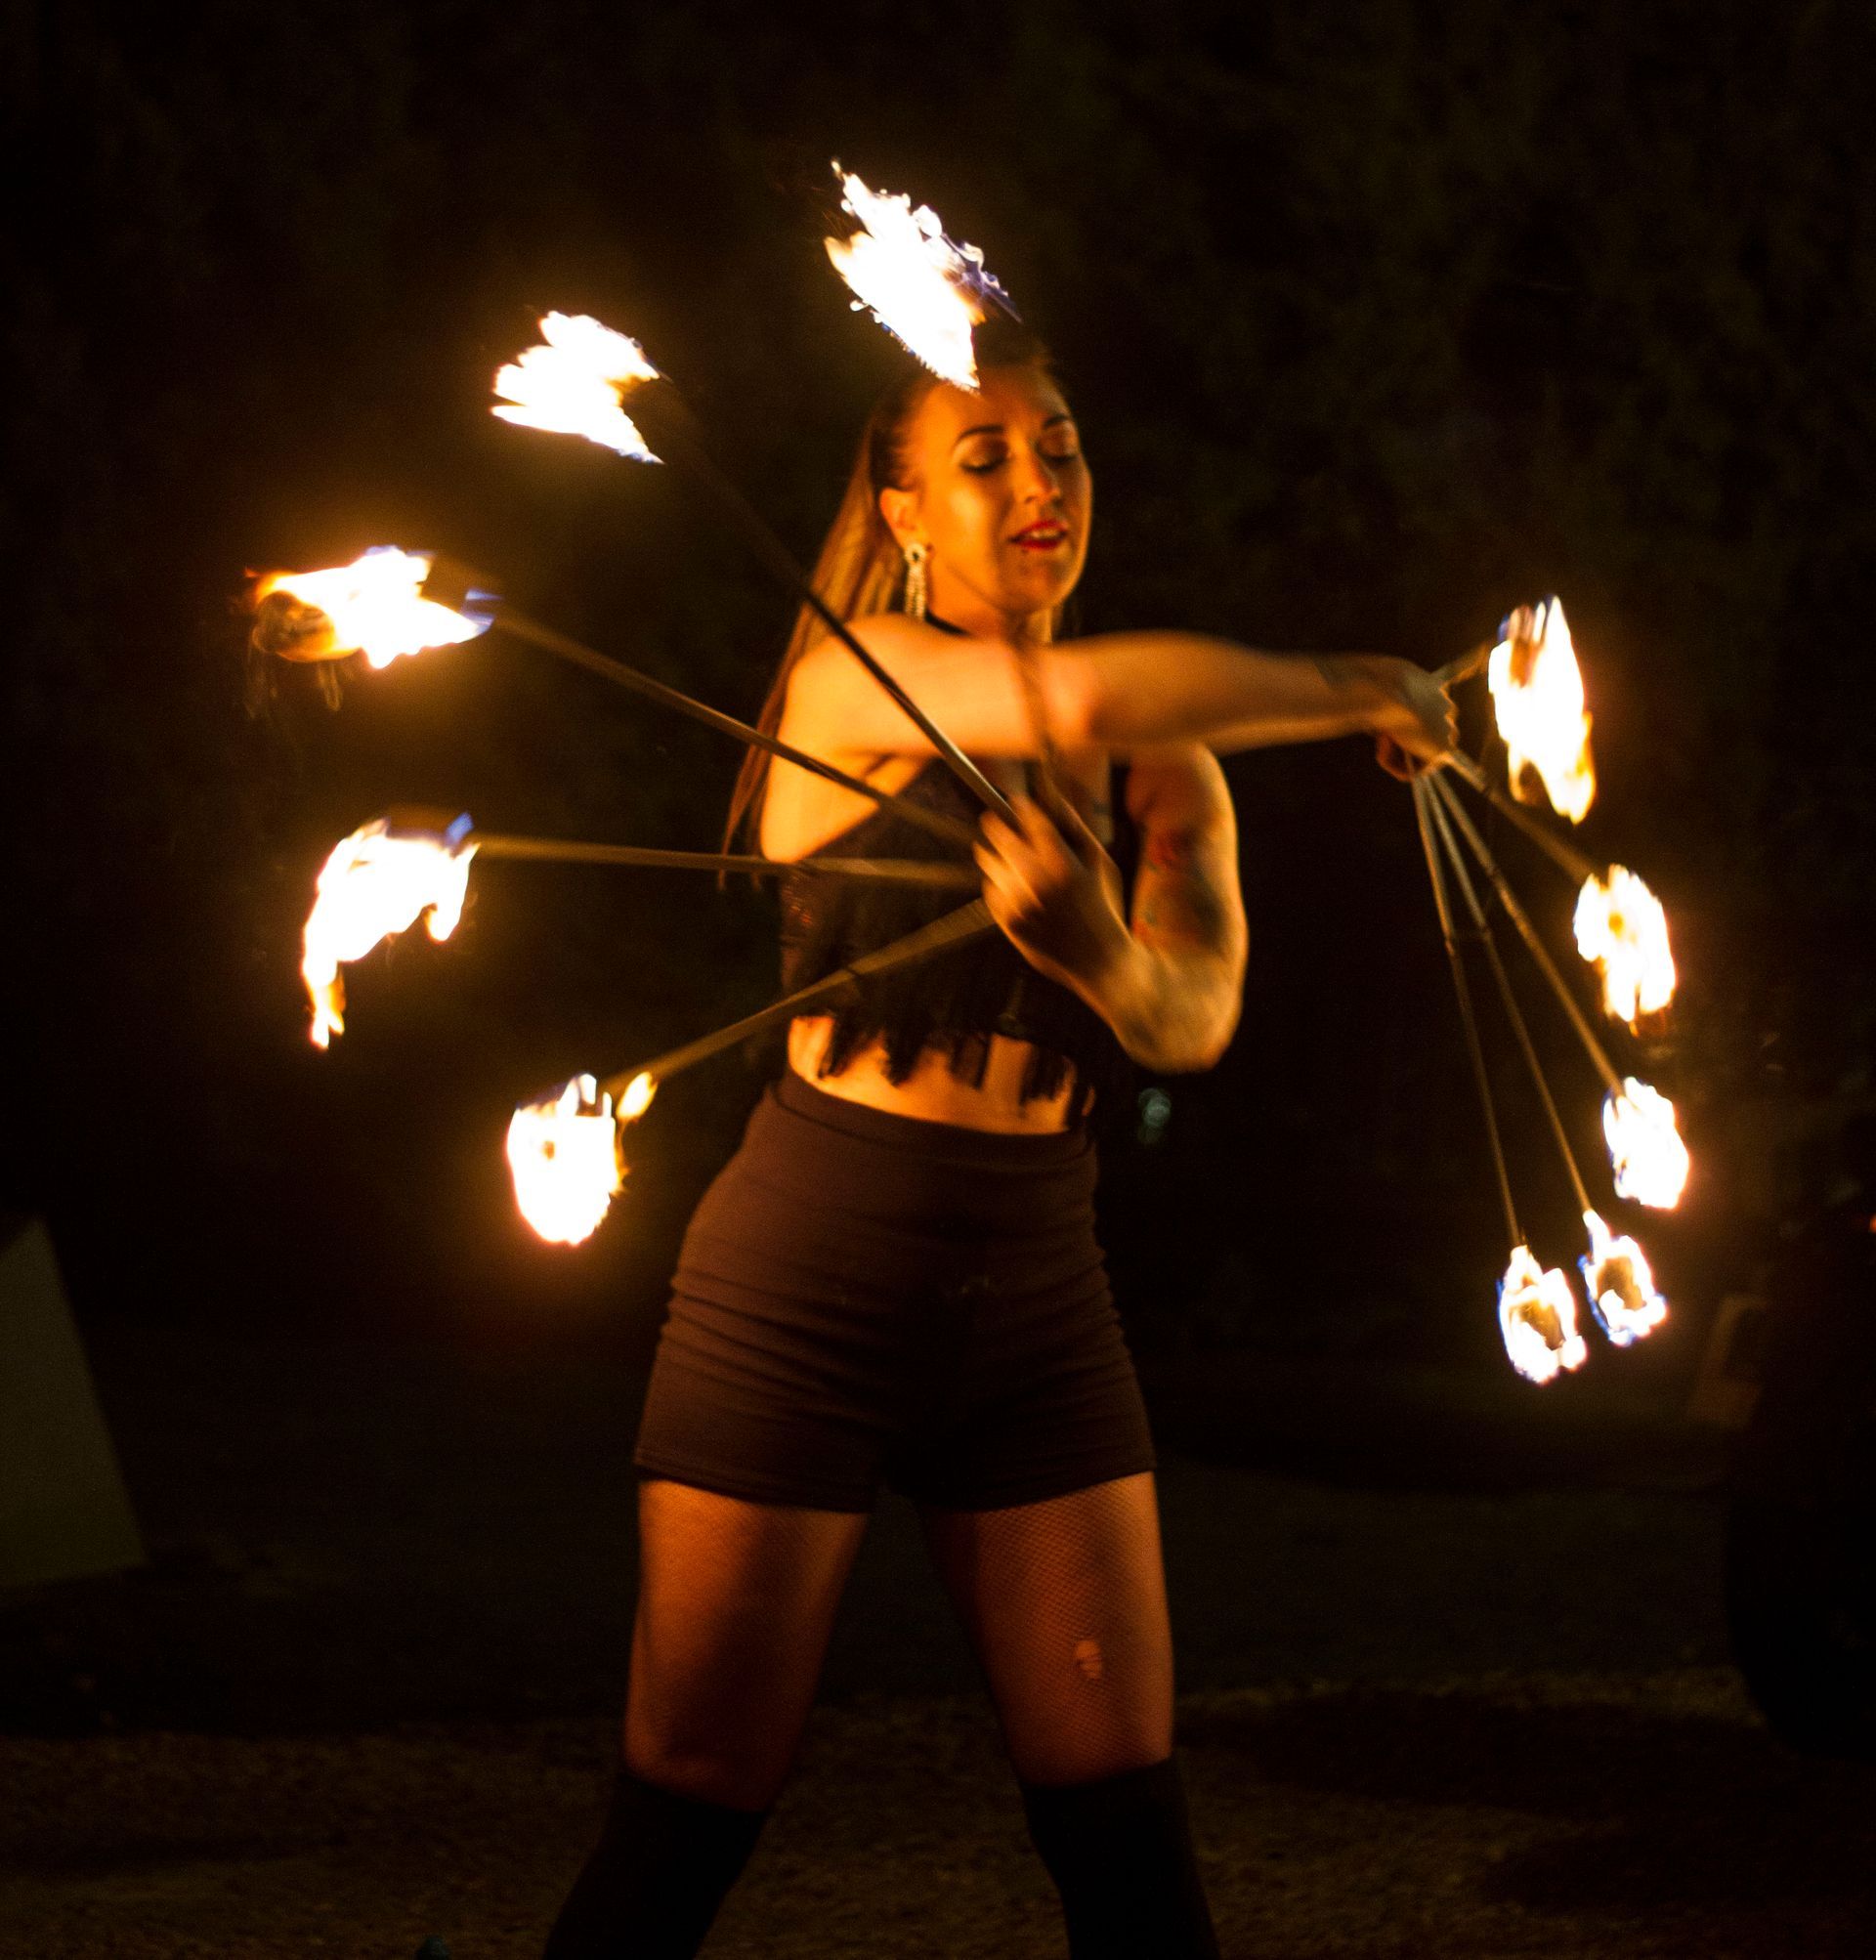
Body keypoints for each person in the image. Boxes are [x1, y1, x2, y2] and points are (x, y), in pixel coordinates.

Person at [541, 326, 1453, 1958]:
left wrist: (1099, 953)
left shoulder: (1167, 762)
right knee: (688, 1805)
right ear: (900, 511)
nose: (1042, 484)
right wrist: (1352, 685)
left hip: (1038, 1288)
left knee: (1126, 1825)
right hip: (808, 1274)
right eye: (987, 460)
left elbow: (1192, 1013)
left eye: (1066, 448)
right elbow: (1075, 685)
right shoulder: (844, 689)